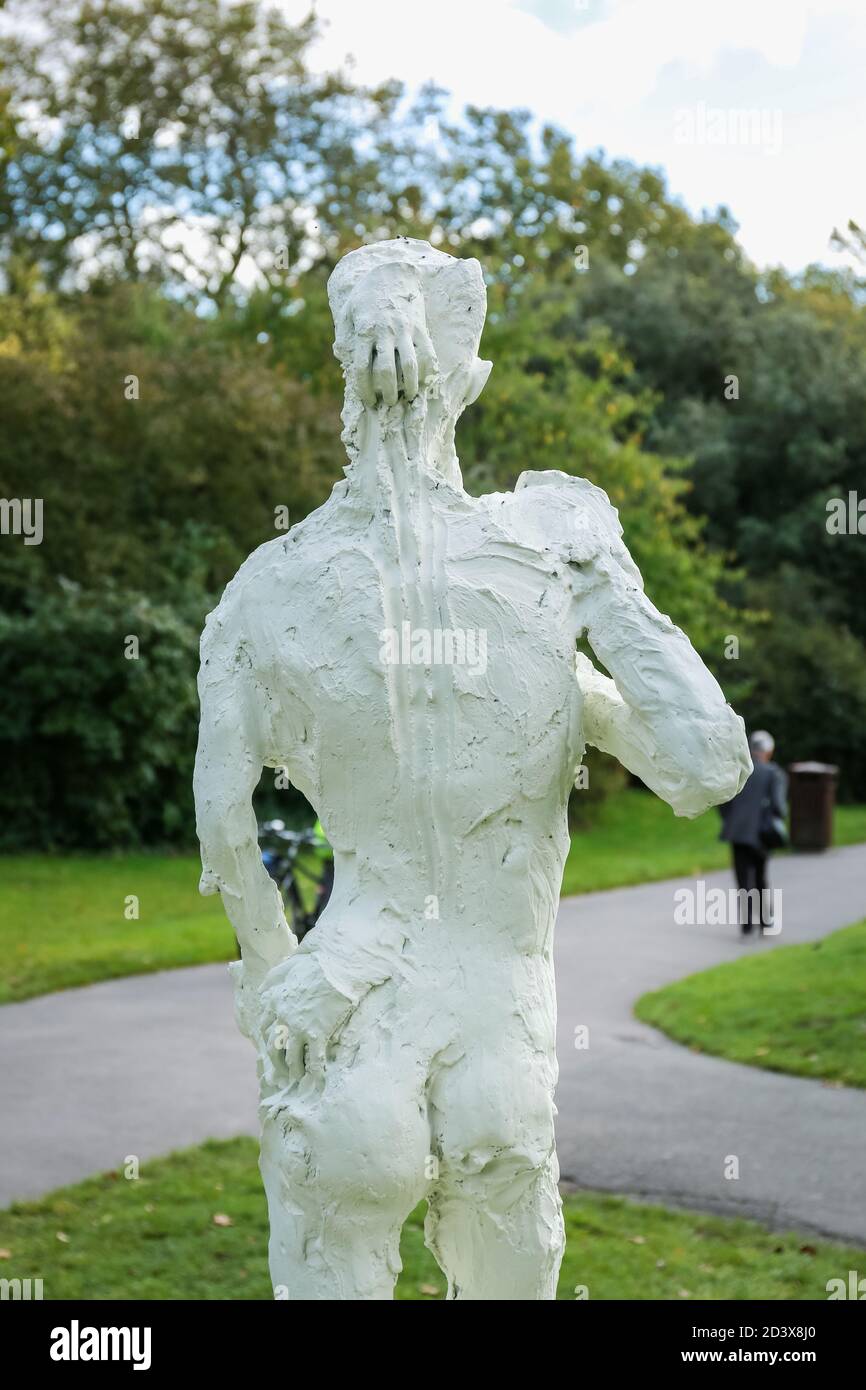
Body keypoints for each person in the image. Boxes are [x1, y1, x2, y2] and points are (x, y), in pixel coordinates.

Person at [194, 237, 750, 1301]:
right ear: (475, 382)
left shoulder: (268, 584)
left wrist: (273, 982)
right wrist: (603, 585)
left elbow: (222, 815)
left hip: (342, 1005)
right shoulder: (541, 557)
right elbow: (707, 760)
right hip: (497, 1025)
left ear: (346, 374)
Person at [720, 729, 788, 935]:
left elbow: (723, 802)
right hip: (761, 834)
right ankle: (766, 922)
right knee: (760, 877)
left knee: (742, 881)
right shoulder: (773, 773)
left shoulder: (737, 770)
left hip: (737, 832)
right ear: (768, 751)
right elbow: (779, 807)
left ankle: (747, 925)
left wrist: (732, 820)